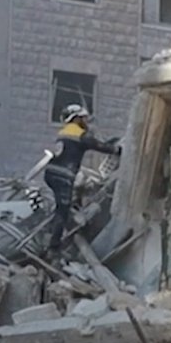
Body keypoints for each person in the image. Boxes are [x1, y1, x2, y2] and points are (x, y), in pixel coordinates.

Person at [43, 104, 120, 250]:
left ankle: (53, 233)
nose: (86, 121)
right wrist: (117, 149)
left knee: (65, 205)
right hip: (63, 176)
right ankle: (53, 247)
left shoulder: (64, 132)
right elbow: (100, 146)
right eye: (84, 119)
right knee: (62, 211)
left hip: (51, 173)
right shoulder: (80, 135)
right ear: (76, 119)